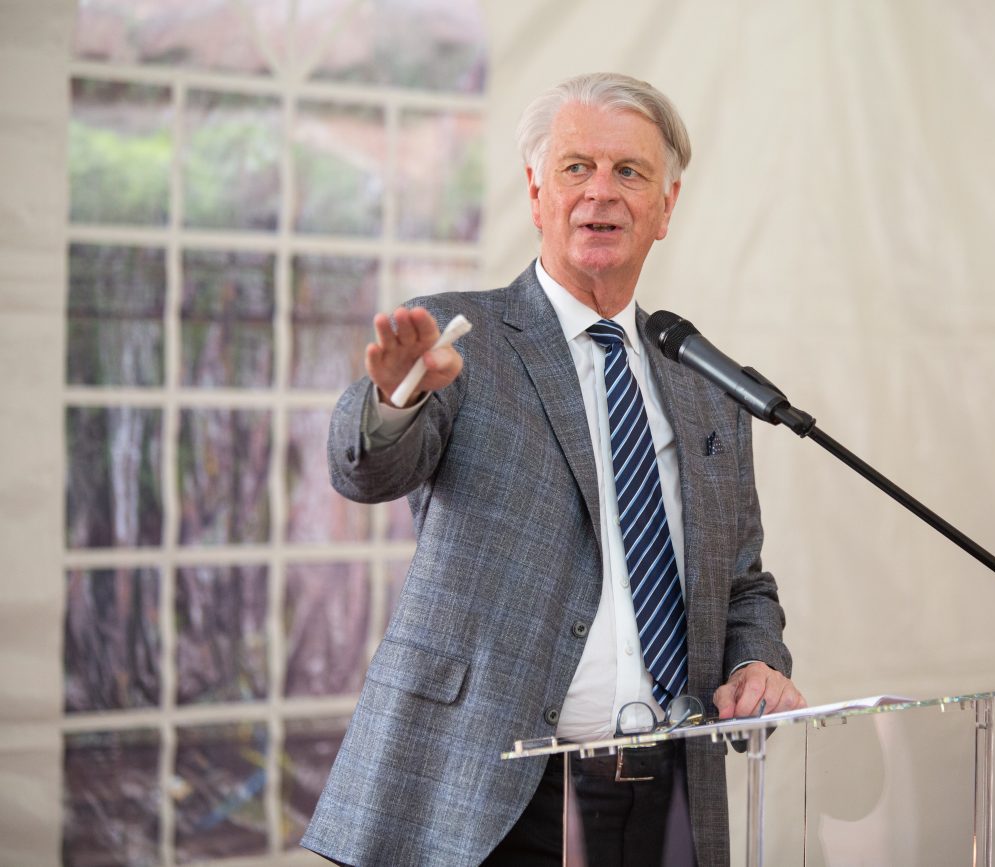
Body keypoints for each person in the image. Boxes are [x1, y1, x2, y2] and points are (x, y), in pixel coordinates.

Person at [302, 72, 804, 867]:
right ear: (536, 192)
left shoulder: (707, 381)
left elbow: (742, 581)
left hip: (671, 785)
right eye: (576, 168)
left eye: (629, 172)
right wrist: (392, 400)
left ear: (666, 207)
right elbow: (366, 468)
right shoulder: (462, 340)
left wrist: (754, 662)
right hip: (496, 794)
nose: (600, 192)